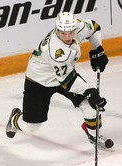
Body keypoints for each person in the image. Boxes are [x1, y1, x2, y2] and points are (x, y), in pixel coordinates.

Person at [6, 12, 114, 150]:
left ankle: (94, 135)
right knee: (31, 127)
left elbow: (94, 27)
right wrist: (89, 91)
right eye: (64, 33)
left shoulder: (78, 27)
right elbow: (68, 81)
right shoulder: (57, 51)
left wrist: (98, 49)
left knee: (91, 107)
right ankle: (15, 118)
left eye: (71, 32)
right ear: (57, 30)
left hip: (64, 75)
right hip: (39, 81)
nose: (68, 37)